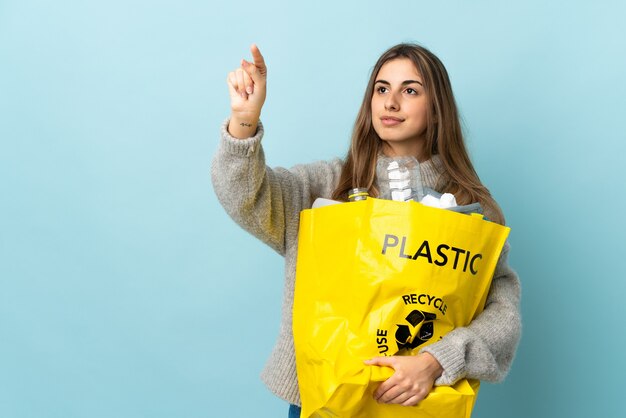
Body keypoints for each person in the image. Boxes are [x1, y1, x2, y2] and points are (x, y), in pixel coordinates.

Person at [212, 43, 521, 416]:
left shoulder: (472, 209)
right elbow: (245, 195)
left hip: (419, 402)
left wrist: (437, 361)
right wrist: (244, 120)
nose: (390, 102)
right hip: (323, 395)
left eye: (410, 90)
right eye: (381, 88)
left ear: (437, 110)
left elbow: (502, 312)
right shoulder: (326, 185)